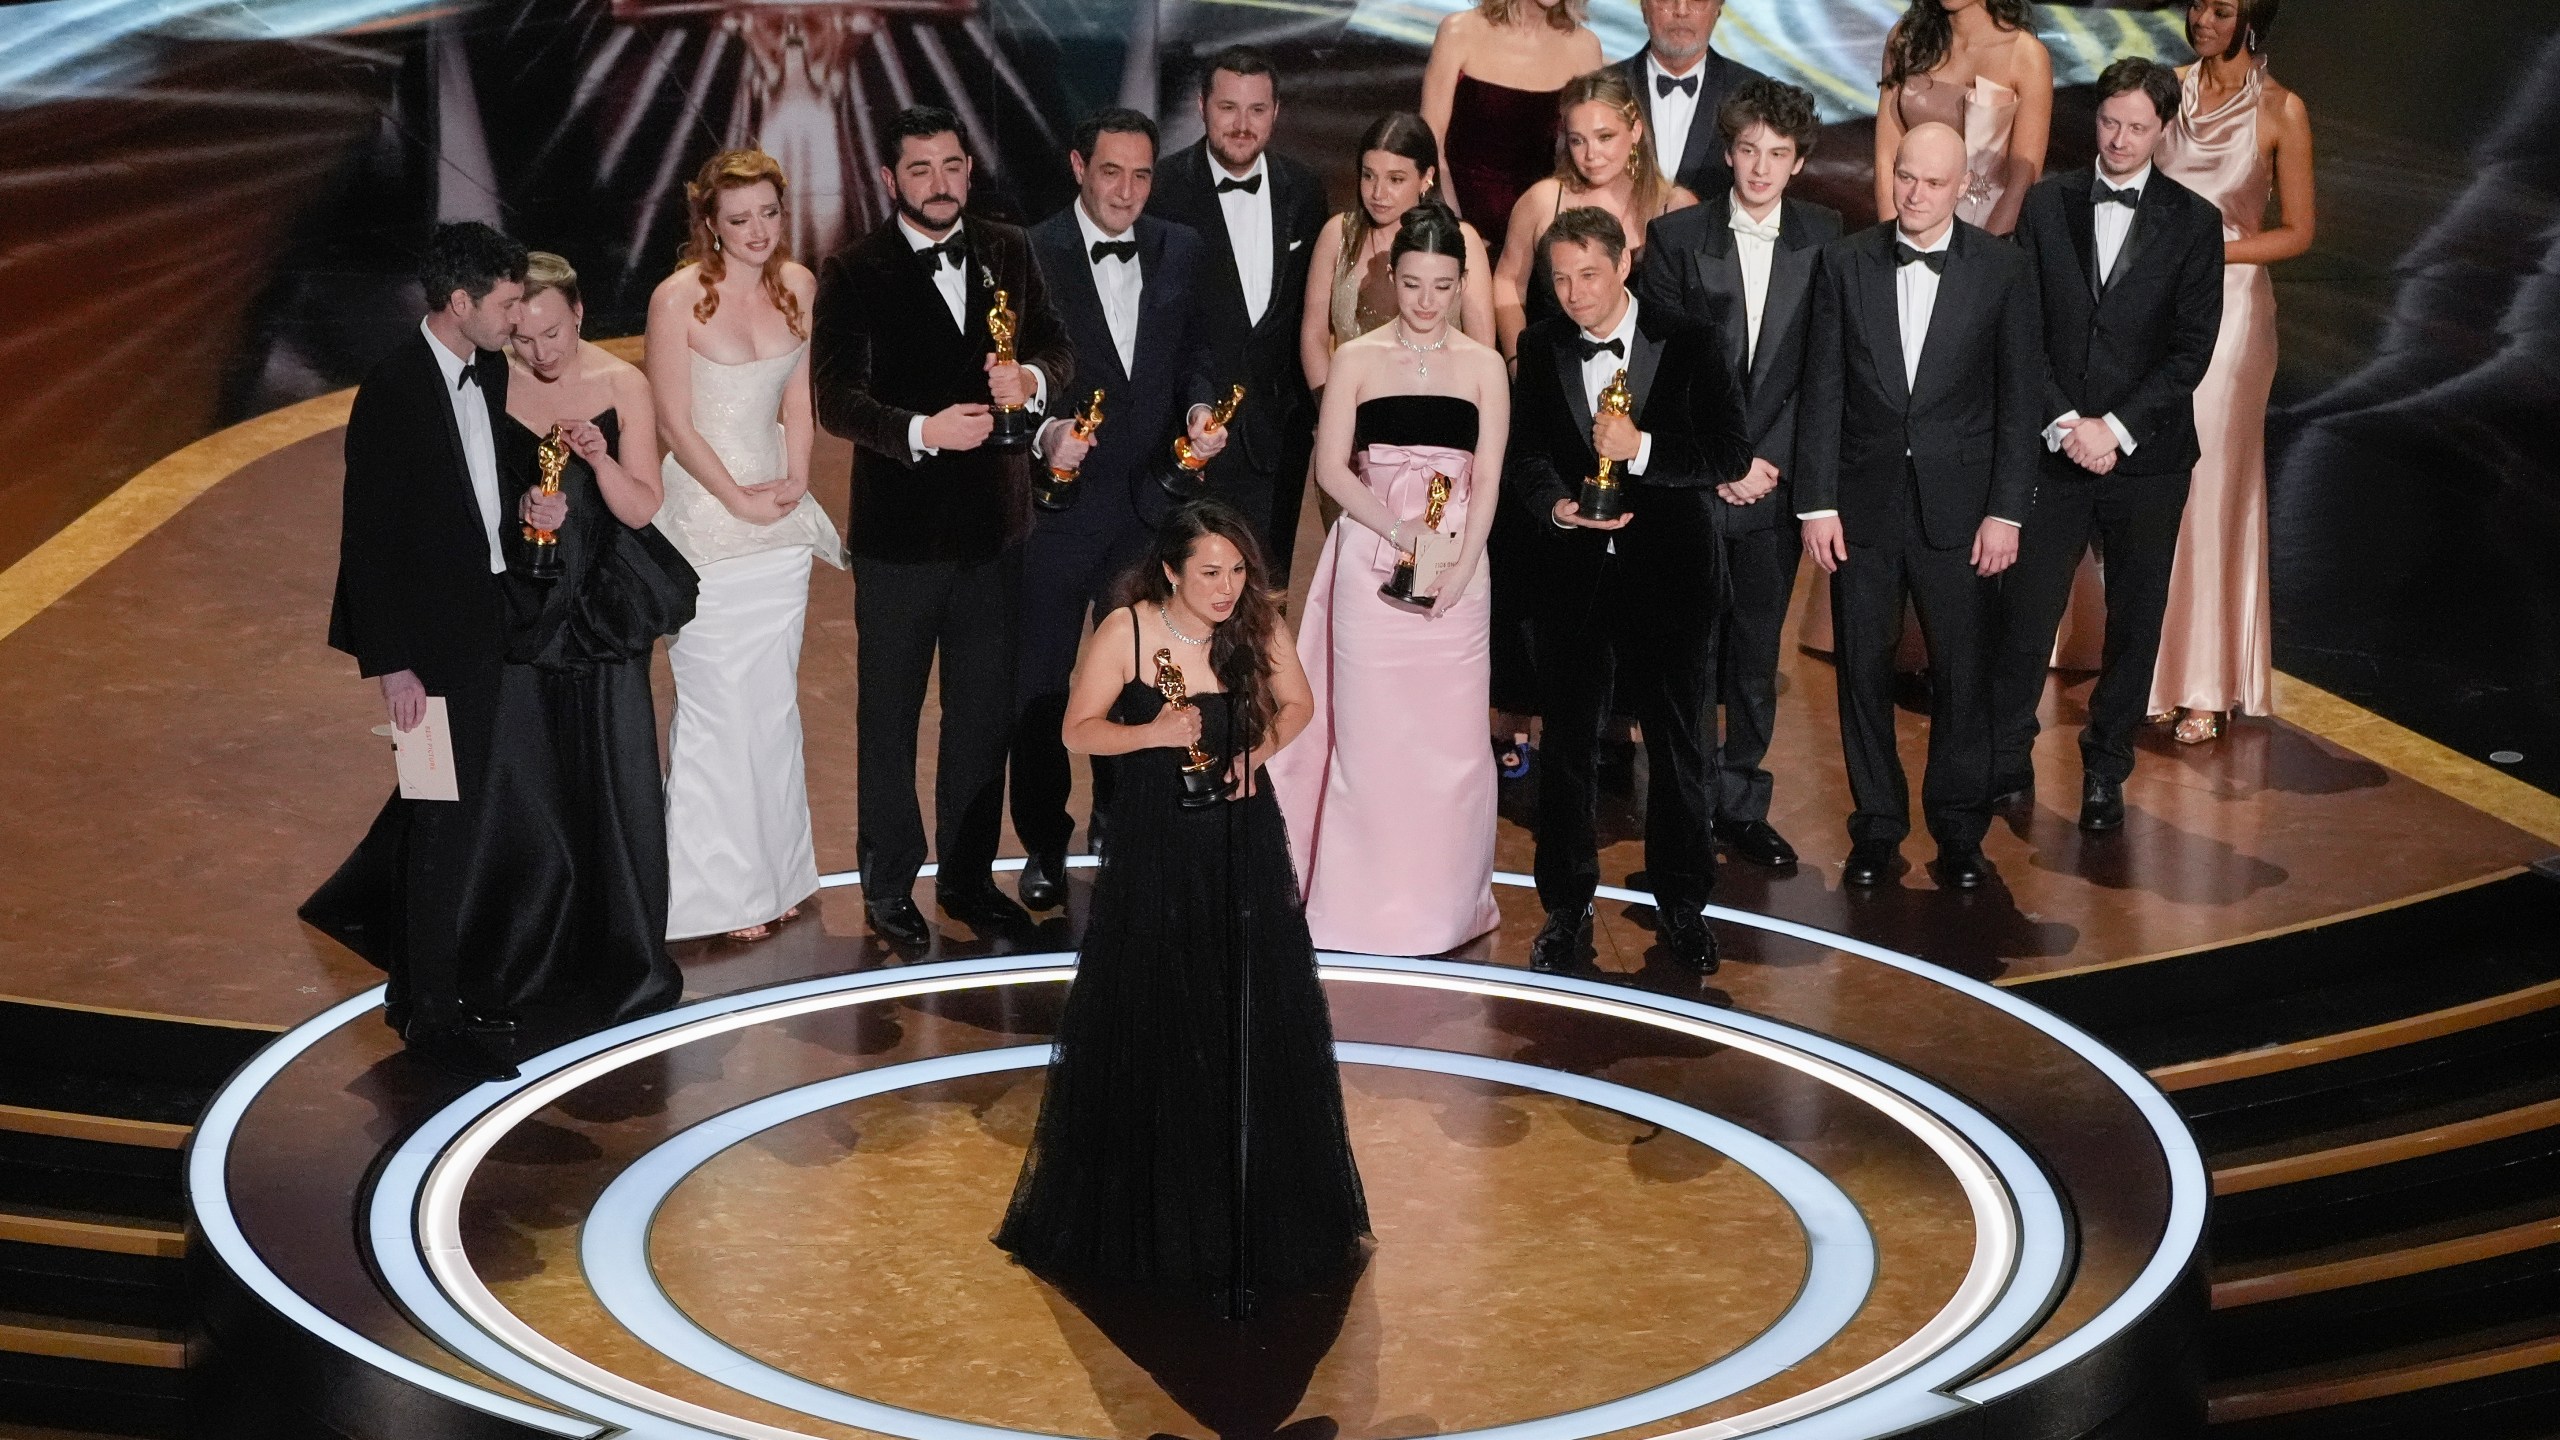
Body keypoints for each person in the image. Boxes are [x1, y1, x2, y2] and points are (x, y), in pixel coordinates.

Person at [996, 501, 1370, 1294]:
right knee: (1156, 1006)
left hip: (1242, 838)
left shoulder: (1255, 626)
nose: (1228, 587)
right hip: (1155, 848)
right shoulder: (1126, 632)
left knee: (1246, 1008)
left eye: (1238, 571)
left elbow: (1299, 703)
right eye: (1210, 572)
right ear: (1170, 570)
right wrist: (1151, 737)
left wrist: (1256, 754)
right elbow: (1077, 730)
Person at [813, 107, 1072, 948]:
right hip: (899, 541)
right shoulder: (853, 271)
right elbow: (836, 401)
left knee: (981, 719)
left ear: (969, 168)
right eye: (919, 169)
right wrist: (924, 431)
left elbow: (1056, 350)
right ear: (890, 181)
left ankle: (965, 879)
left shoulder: (1007, 247)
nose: (938, 183)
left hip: (996, 533)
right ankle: (889, 887)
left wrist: (1029, 378)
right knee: (889, 721)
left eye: (951, 165)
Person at [301, 222, 535, 1082]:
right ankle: (431, 1016)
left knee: (454, 818)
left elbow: (483, 487)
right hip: (427, 656)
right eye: (508, 303)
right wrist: (393, 666)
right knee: (442, 820)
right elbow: (368, 541)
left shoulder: (492, 369)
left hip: (483, 628)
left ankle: (421, 987)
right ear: (462, 302)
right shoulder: (393, 390)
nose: (518, 318)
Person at [1797, 122, 2038, 891]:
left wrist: (2008, 511)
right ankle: (1876, 827)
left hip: (1962, 510)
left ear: (1963, 187)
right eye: (1905, 176)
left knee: (1963, 675)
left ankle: (1960, 834)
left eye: (1932, 182)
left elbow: (2018, 400)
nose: (1914, 193)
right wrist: (1816, 502)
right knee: (1860, 671)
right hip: (1861, 505)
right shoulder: (1844, 262)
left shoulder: (2002, 270)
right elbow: (1822, 387)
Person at [1509, 208, 1750, 974]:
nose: (1575, 294)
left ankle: (1683, 908)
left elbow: (1728, 452)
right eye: (1561, 279)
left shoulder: (1692, 337)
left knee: (1679, 751)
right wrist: (1554, 504)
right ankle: (1566, 906)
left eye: (1589, 274)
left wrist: (1641, 450)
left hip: (1670, 576)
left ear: (1623, 266)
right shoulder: (1540, 344)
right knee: (1570, 750)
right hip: (1573, 578)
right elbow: (1528, 452)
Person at [1266, 204, 1511, 955]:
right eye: (1412, 284)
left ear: (1462, 283)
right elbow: (1332, 470)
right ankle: (1358, 908)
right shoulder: (1357, 358)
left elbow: (1490, 476)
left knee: (1453, 744)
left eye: (1442, 285)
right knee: (1371, 741)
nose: (1427, 302)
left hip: (1458, 574)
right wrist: (1400, 531)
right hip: (1369, 561)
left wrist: (1460, 568)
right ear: (1390, 280)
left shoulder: (1484, 366)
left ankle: (1443, 908)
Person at [461, 252, 696, 1027]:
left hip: (597, 613)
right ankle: (520, 951)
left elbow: (641, 509)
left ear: (581, 314)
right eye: (523, 338)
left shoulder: (622, 384)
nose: (540, 353)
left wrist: (595, 464)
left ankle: (616, 953)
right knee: (522, 784)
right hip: (515, 610)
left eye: (553, 333)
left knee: (611, 784)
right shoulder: (487, 380)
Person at [1994, 59, 2226, 830]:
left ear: (2164, 129)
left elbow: (2190, 352)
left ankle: (2105, 768)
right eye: (2108, 122)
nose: (2120, 139)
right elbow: (2021, 330)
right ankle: (2007, 755)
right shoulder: (2047, 204)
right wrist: (2065, 422)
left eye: (2136, 127)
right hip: (2053, 451)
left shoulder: (2193, 223)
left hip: (2148, 459)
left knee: (2135, 621)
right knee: (2027, 615)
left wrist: (2115, 431)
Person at [1013, 108, 1228, 914]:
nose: (1127, 191)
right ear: (1078, 165)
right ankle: (1042, 842)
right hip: (1055, 508)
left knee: (1140, 676)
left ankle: (1120, 815)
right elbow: (1009, 370)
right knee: (1039, 682)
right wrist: (1043, 440)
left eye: (1142, 175)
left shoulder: (1181, 247)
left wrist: (1203, 409)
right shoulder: (1032, 250)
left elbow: (1197, 354)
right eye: (1112, 172)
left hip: (1148, 505)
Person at [1634, 77, 1841, 870]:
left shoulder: (1825, 236)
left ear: (1797, 161)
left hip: (1775, 481)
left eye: (1777, 154)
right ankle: (1681, 806)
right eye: (1748, 150)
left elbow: (1824, 372)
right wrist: (1721, 458)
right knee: (1687, 649)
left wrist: (1770, 462)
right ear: (1729, 152)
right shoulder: (1678, 236)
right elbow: (1658, 369)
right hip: (1694, 481)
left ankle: (1740, 803)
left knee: (1756, 654)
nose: (1760, 167)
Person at [646, 150, 844, 945]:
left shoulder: (798, 286)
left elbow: (798, 394)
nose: (759, 232)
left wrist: (796, 477)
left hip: (780, 524)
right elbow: (671, 421)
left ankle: (778, 876)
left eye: (768, 213)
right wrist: (735, 498)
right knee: (718, 707)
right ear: (708, 224)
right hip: (706, 520)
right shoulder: (676, 300)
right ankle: (716, 895)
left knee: (770, 707)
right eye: (739, 220)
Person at [2148, 0, 2313, 744]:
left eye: (2219, 8)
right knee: (2150, 482)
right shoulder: (2166, 94)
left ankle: (2207, 684)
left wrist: (2210, 255)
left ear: (2251, 17)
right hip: (2154, 310)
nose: (2201, 18)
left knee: (2210, 483)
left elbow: (2298, 231)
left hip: (2234, 312)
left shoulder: (2281, 110)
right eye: (2195, 5)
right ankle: (2150, 668)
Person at [1146, 45, 1333, 583]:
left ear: (1276, 112)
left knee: (1266, 590)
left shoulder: (1304, 189)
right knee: (1187, 588)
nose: (1242, 124)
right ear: (1202, 107)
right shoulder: (1162, 189)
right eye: (1229, 107)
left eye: (1257, 109)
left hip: (1279, 434)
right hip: (1186, 431)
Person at [1493, 66, 1699, 359]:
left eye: (1604, 137)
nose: (1591, 155)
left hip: (1649, 380)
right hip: (1557, 373)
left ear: (1635, 131)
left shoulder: (1676, 207)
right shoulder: (1542, 201)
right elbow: (1509, 281)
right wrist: (1520, 362)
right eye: (1578, 140)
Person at [1300, 113, 1498, 391]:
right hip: (1348, 411)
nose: (1378, 193)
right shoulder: (1338, 235)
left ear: (1426, 177)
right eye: (1369, 176)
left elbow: (1481, 349)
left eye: (1395, 179)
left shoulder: (1462, 240)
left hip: (1441, 409)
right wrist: (1333, 409)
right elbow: (1314, 337)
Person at [1421, 0, 1604, 260]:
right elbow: (1430, 143)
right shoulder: (1458, 32)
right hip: (1453, 225)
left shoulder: (1584, 47)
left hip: (1538, 237)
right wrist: (1458, 232)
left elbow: (1587, 158)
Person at [1874, 0, 2053, 238]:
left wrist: (1981, 257)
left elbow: (2022, 179)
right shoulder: (1906, 39)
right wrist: (1894, 238)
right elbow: (1886, 156)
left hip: (1986, 231)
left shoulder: (2027, 56)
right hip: (1907, 222)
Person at [1616, 0, 1768, 202]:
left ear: (1718, 9)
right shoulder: (1605, 86)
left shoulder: (1754, 92)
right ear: (1644, 7)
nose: (1681, 11)